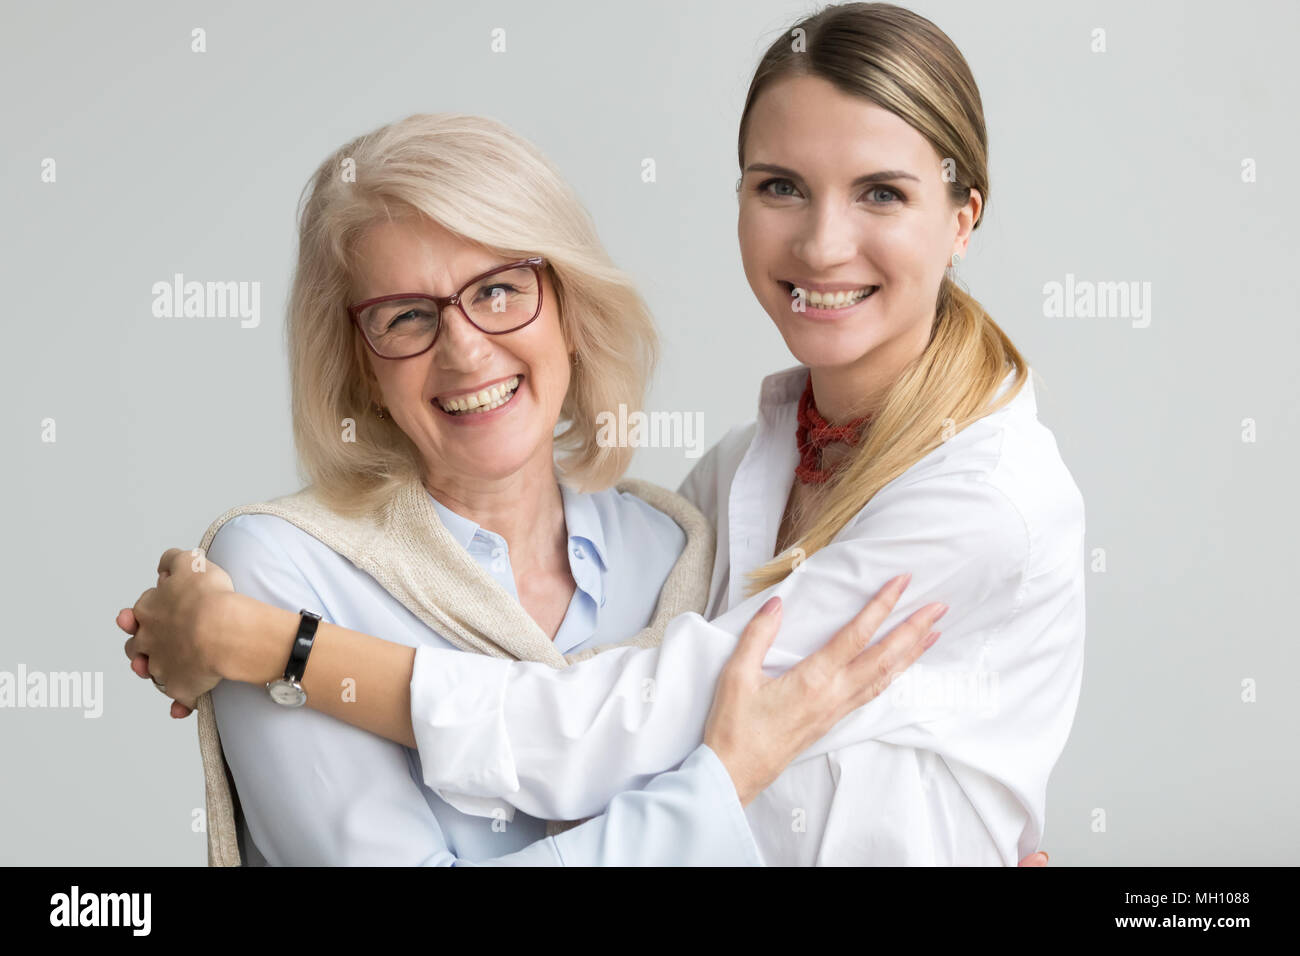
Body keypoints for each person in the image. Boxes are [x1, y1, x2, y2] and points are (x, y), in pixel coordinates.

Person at [123, 2, 1080, 865]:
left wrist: (283, 650)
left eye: (882, 192)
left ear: (964, 216)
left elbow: (592, 727)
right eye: (781, 187)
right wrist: (718, 787)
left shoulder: (962, 501)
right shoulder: (729, 485)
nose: (824, 243)